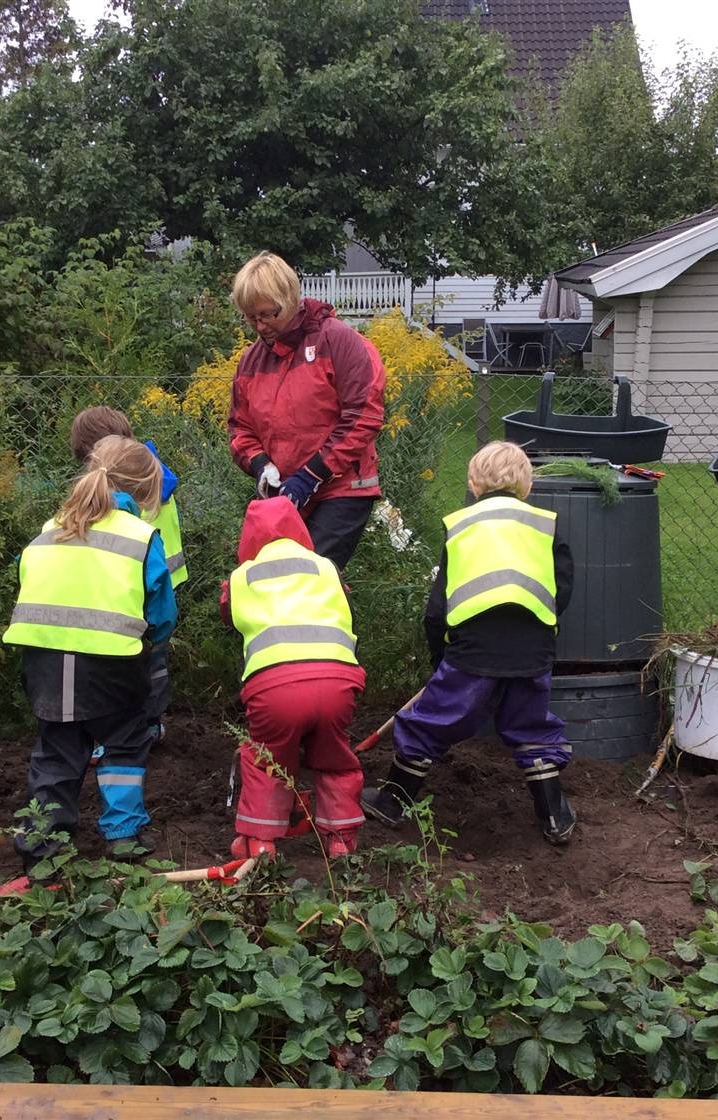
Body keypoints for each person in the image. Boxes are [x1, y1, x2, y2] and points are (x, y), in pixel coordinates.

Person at [361, 441, 577, 846]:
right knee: (530, 726)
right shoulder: (546, 525)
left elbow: (437, 609)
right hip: (534, 651)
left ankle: (392, 801)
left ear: (474, 484)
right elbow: (561, 591)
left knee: (431, 721)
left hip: (473, 651)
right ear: (527, 486)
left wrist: (440, 657)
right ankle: (554, 815)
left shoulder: (462, 526)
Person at [3, 436, 176, 866]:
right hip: (113, 665)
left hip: (43, 662)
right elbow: (162, 612)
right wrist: (151, 642)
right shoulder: (140, 536)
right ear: (144, 491)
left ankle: (42, 844)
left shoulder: (50, 528)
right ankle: (122, 834)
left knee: (57, 749)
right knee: (123, 744)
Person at [222, 499, 367, 859]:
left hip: (275, 686)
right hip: (337, 679)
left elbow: (228, 614)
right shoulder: (325, 567)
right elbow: (344, 605)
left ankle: (260, 841)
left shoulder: (243, 576)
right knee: (334, 755)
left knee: (266, 758)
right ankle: (341, 839)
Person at [227, 251, 386, 570]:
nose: (260, 326)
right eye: (251, 317)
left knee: (310, 577)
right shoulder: (251, 361)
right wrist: (260, 465)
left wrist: (311, 475)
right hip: (285, 494)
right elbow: (240, 428)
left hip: (342, 489)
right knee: (279, 580)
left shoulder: (337, 341)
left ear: (289, 299)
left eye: (268, 314)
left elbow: (363, 416)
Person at [69, 406, 185, 739]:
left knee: (124, 663)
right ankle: (147, 724)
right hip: (157, 582)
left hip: (129, 584)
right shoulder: (149, 470)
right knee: (153, 660)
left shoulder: (125, 482)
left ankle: (123, 730)